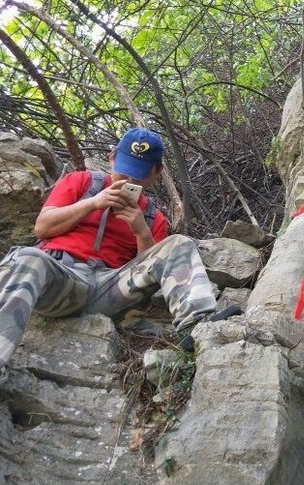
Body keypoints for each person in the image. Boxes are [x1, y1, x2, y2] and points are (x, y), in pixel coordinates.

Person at [0, 127, 239, 379]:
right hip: (62, 281)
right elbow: (43, 226)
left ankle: (197, 327)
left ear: (157, 172)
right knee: (27, 257)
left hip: (108, 291)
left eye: (138, 176)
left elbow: (148, 281)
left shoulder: (152, 218)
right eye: (123, 170)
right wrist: (93, 203)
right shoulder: (82, 182)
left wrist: (141, 232)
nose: (127, 181)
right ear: (111, 156)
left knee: (178, 243)